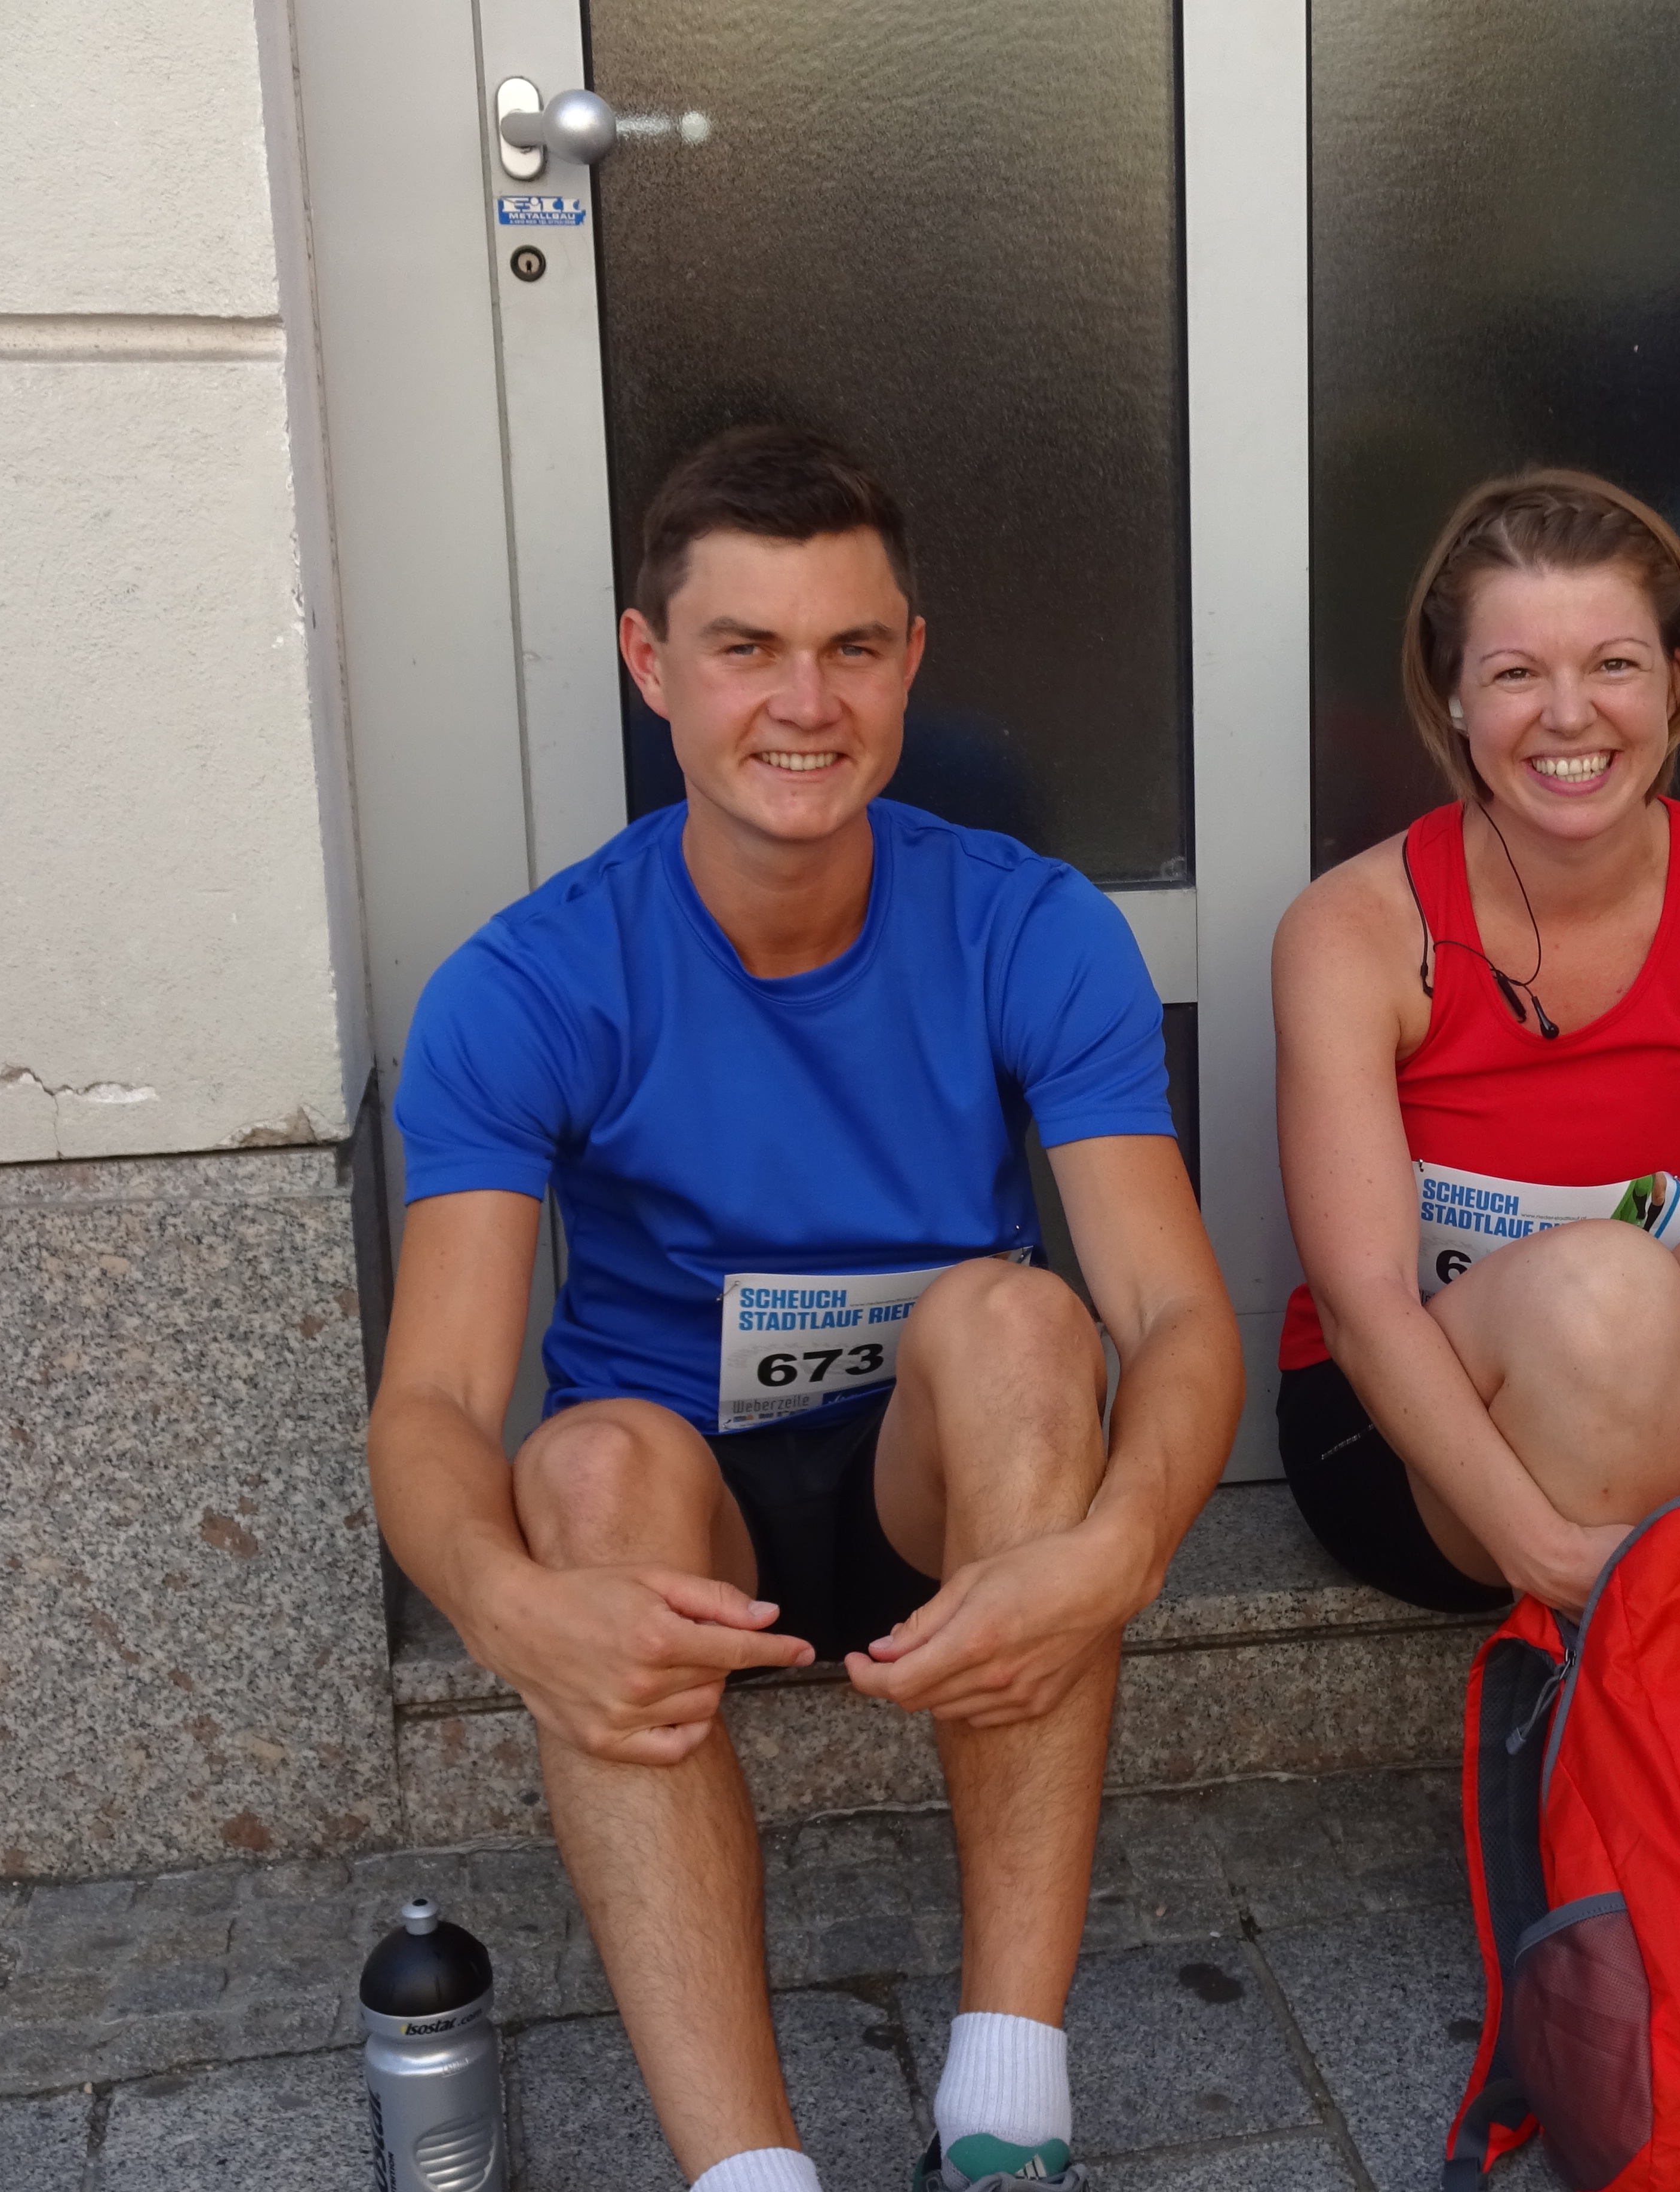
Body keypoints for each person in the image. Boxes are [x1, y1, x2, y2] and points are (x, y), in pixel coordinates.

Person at [368, 426, 1242, 2192]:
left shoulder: (1031, 926)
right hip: (687, 1522)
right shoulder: (529, 981)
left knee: (1027, 1325)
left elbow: (1174, 1316)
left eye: (850, 646)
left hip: (946, 1483)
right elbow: (436, 1407)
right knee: (585, 1466)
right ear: (650, 666)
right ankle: (747, 2174)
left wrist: (1123, 1549)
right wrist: (509, 1609)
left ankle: (1008, 2117)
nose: (804, 703)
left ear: (911, 660)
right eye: (744, 648)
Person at [1272, 469, 1680, 1617]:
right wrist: (1545, 1552)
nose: (1569, 716)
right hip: (1404, 1441)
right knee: (1604, 1287)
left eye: (1614, 665)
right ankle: (1634, 1669)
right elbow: (1361, 1301)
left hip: (1672, 1409)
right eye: (1516, 673)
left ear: (1677, 677)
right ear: (1453, 695)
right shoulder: (1351, 930)